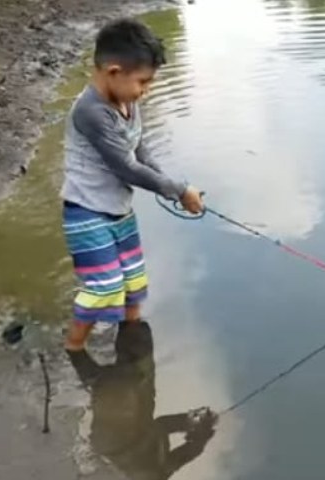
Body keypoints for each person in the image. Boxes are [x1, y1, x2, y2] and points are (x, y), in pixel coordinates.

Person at [60, 18, 203, 351]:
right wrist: (179, 189)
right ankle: (74, 349)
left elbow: (141, 152)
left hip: (118, 210)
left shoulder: (128, 102)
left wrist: (173, 190)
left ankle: (133, 344)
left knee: (134, 284)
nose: (146, 90)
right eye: (143, 81)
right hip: (86, 212)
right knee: (104, 289)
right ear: (113, 72)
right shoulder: (91, 112)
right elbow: (125, 168)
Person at [68, 322, 217, 479]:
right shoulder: (155, 471)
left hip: (130, 398)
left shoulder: (154, 471)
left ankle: (127, 317)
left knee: (134, 339)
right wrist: (197, 429)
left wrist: (196, 428)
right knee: (131, 340)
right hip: (121, 406)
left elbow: (163, 428)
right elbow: (165, 429)